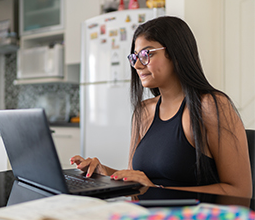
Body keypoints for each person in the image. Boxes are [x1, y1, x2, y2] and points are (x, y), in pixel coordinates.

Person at [70, 16, 252, 198]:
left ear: (175, 53)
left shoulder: (211, 106)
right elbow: (136, 182)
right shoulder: (142, 112)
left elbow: (240, 193)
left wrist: (156, 190)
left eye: (146, 54)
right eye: (134, 57)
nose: (137, 65)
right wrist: (105, 173)